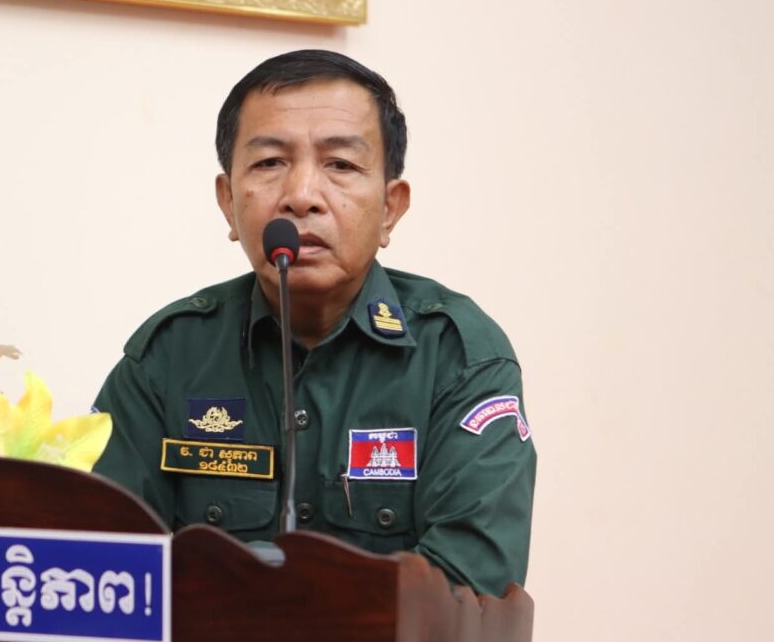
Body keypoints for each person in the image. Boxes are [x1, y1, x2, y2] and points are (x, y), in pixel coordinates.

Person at [92, 50, 535, 597]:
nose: (301, 196)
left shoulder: (457, 356)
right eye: (270, 163)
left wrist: (283, 607)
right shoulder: (168, 357)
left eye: (341, 165)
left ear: (391, 207)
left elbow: (470, 581)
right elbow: (105, 568)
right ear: (228, 203)